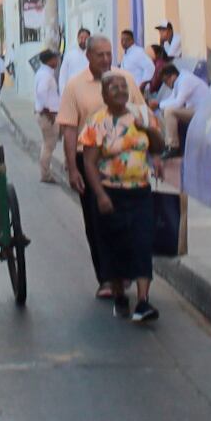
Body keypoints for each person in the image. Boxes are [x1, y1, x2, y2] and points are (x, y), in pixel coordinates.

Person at [58, 35, 143, 300]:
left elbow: (142, 117)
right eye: (100, 55)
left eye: (109, 54)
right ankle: (106, 277)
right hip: (90, 163)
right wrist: (72, 168)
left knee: (129, 220)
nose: (106, 59)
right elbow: (70, 130)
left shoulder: (125, 79)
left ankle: (125, 271)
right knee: (97, 223)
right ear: (88, 57)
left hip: (125, 163)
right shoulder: (75, 87)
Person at [79, 71, 167, 323]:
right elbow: (89, 163)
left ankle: (143, 302)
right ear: (104, 94)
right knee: (115, 248)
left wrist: (148, 130)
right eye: (113, 87)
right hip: (110, 193)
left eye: (123, 86)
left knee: (141, 244)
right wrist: (100, 195)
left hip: (140, 192)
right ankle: (119, 296)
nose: (119, 90)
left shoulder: (141, 114)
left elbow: (159, 146)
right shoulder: (96, 123)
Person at [155, 63, 210, 156]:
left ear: (172, 76)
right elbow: (172, 98)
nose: (166, 85)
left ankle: (173, 146)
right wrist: (159, 105)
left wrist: (158, 104)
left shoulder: (185, 80)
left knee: (169, 111)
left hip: (202, 111)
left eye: (165, 81)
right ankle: (167, 143)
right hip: (193, 110)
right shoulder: (179, 81)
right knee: (164, 110)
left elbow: (178, 103)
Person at [32, 49, 63, 183]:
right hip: (47, 115)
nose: (57, 61)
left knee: (49, 144)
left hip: (46, 113)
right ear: (50, 60)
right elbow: (41, 93)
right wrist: (48, 112)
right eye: (55, 59)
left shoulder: (44, 72)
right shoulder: (46, 75)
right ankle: (45, 175)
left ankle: (46, 172)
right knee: (48, 146)